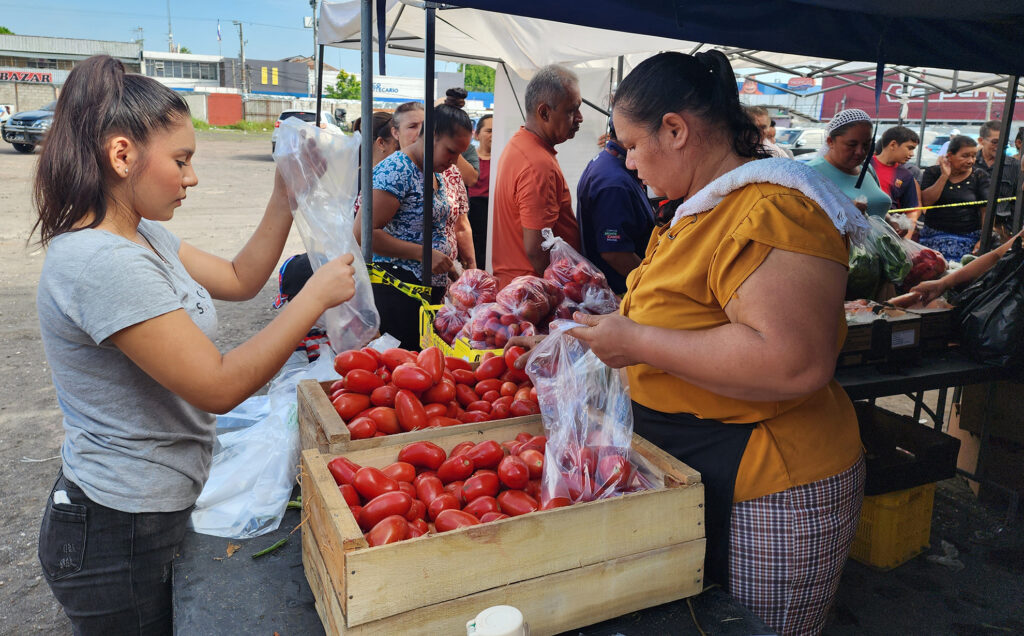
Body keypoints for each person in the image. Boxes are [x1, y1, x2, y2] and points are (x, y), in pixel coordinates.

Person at [514, 50, 865, 635]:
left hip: (770, 483)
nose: (627, 163)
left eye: (631, 145)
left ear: (675, 130)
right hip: (700, 462)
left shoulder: (776, 209)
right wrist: (591, 342)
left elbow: (794, 361)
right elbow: (679, 322)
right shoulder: (700, 210)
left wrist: (638, 342)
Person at [33, 56, 357, 634]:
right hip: (113, 528)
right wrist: (313, 298)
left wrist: (286, 193)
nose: (192, 177)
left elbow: (238, 276)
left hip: (145, 510)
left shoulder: (144, 234)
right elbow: (219, 385)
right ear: (122, 154)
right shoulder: (101, 263)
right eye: (181, 161)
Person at [358, 102, 474, 349]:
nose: (454, 163)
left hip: (428, 293)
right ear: (432, 135)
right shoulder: (395, 170)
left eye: (459, 155)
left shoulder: (437, 170)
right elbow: (363, 234)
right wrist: (423, 255)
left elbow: (456, 224)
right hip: (396, 293)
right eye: (451, 152)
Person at [492, 64, 583, 287]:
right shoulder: (538, 164)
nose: (579, 118)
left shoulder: (520, 144)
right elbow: (537, 249)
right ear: (544, 112)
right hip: (534, 293)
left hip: (520, 287)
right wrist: (566, 290)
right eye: (571, 110)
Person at [576, 116, 655, 294]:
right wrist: (650, 284)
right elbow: (615, 252)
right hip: (622, 292)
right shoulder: (613, 183)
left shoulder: (608, 160)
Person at [808, 109, 891, 217]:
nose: (860, 152)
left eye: (866, 145)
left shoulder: (867, 169)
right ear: (830, 142)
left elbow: (875, 206)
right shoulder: (810, 173)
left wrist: (890, 221)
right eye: (852, 144)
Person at [919, 135, 990, 261]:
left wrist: (983, 240)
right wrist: (944, 176)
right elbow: (926, 202)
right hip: (933, 237)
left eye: (973, 156)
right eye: (965, 156)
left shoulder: (979, 176)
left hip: (968, 239)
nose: (971, 161)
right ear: (950, 155)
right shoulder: (933, 173)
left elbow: (986, 211)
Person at [974, 120, 1021, 235]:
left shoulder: (1014, 166)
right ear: (981, 141)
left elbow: (1018, 201)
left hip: (1002, 228)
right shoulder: (970, 164)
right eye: (995, 142)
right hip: (971, 226)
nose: (999, 146)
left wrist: (1010, 229)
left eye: (1004, 142)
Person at [871, 126, 923, 227]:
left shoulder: (906, 175)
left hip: (886, 231)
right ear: (893, 145)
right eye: (910, 148)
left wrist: (905, 235)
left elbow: (911, 211)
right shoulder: (865, 165)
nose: (912, 154)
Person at [466, 114, 493, 269]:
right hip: (472, 217)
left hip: (493, 217)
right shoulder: (469, 159)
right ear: (477, 134)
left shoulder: (502, 159)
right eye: (488, 130)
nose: (493, 135)